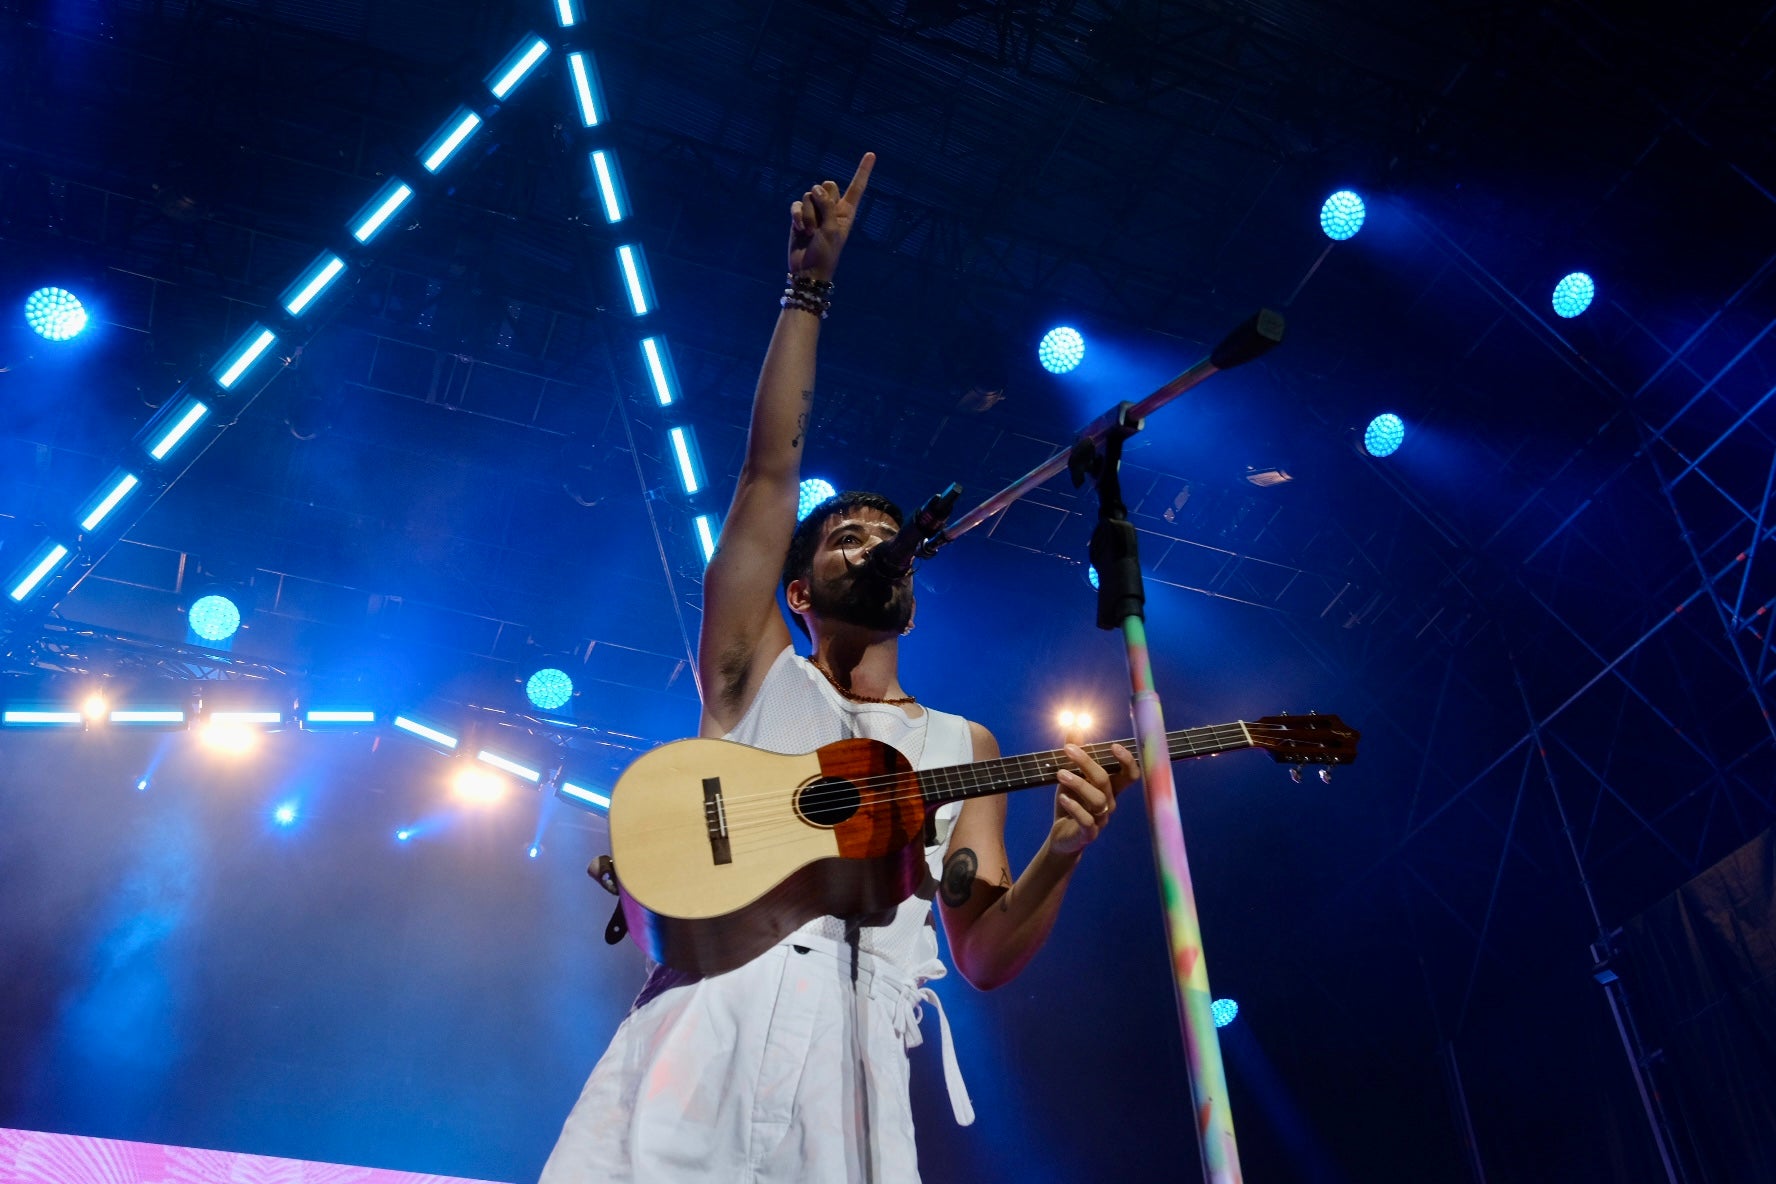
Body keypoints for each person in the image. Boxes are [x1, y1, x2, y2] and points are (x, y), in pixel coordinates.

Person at [540, 152, 1138, 1183]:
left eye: (885, 533)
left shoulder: (965, 745)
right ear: (799, 590)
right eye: (845, 537)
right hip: (704, 1024)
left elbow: (985, 950)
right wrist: (807, 288)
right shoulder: (756, 672)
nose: (871, 541)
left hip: (852, 1079)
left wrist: (1066, 847)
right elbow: (770, 473)